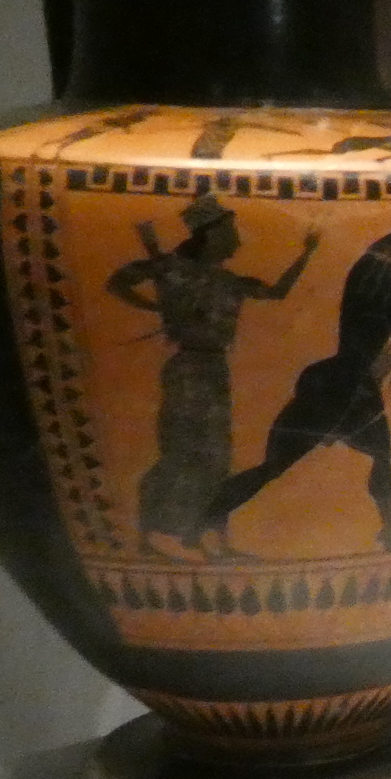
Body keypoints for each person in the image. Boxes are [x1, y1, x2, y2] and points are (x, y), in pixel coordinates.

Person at [205, 205, 391, 552]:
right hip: (345, 384)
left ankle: (386, 531)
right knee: (280, 466)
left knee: (369, 456)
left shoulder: (376, 266)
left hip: (344, 379)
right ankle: (207, 516)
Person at [105, 193, 315, 557]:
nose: (237, 241)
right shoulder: (171, 268)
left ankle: (213, 539)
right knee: (181, 452)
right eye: (231, 231)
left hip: (214, 368)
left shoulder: (226, 279)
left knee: (217, 455)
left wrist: (307, 253)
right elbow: (118, 283)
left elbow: (277, 292)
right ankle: (146, 537)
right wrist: (156, 306)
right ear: (212, 234)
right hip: (187, 368)